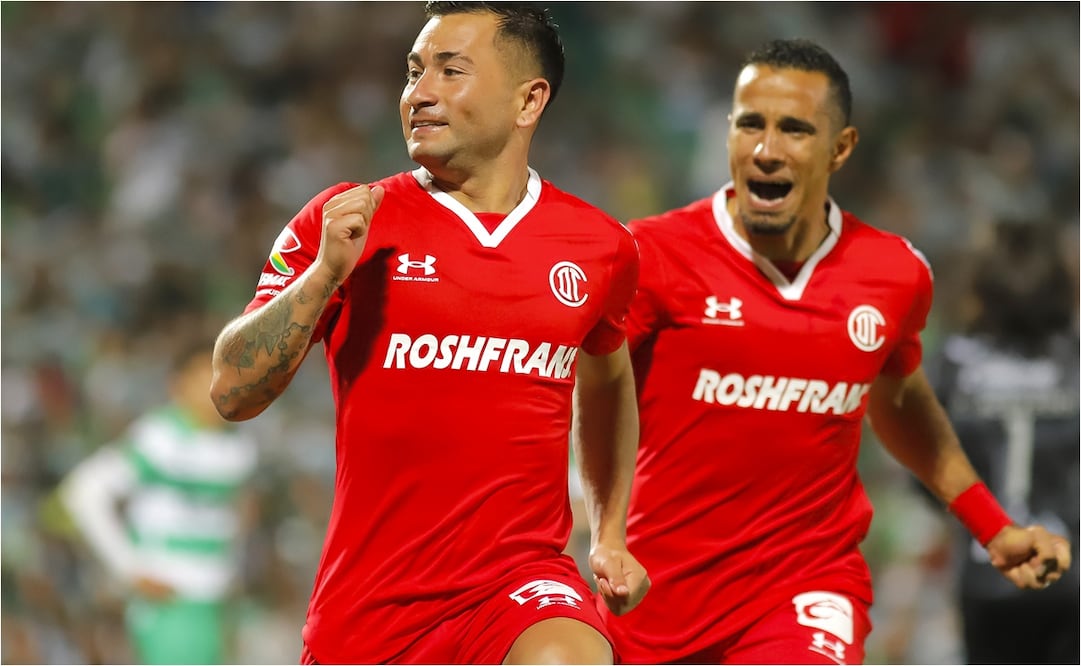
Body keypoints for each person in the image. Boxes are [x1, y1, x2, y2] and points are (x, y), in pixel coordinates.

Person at [597, 38, 1072, 664]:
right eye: (750, 125)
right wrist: (603, 533)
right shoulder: (652, 255)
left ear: (840, 148)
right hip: (656, 597)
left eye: (794, 129)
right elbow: (592, 394)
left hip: (807, 587)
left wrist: (992, 526)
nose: (766, 151)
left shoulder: (894, 273)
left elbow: (900, 400)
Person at [209, 3, 649, 664]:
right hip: (370, 608)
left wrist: (609, 532)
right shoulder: (348, 222)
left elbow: (610, 378)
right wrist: (326, 273)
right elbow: (231, 390)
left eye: (451, 71)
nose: (420, 92)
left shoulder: (599, 248)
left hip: (519, 585)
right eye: (414, 72)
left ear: (528, 100)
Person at [928, 221, 1079, 664]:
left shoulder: (954, 364)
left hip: (986, 573)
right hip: (1070, 573)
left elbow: (925, 469)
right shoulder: (1076, 361)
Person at [60, 340, 258, 665]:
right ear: (177, 384)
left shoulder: (237, 446)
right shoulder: (160, 439)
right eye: (205, 378)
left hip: (216, 602)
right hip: (170, 598)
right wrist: (128, 568)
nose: (219, 388)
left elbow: (233, 516)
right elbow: (83, 492)